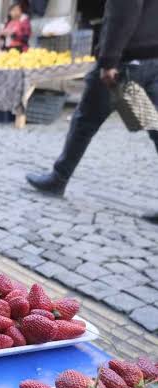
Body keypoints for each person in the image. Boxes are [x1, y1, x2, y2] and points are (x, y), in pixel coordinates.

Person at [26, 0, 158, 223]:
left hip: (124, 66)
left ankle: (58, 178)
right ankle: (58, 177)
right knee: (153, 128)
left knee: (85, 121)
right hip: (149, 59)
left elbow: (123, 11)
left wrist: (108, 60)